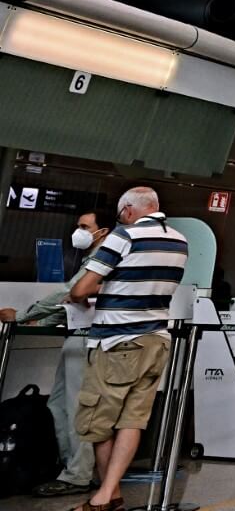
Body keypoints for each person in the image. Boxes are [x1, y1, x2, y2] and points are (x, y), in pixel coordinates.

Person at [65, 188, 187, 511]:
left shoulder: (124, 236)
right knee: (132, 420)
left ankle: (104, 497)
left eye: (121, 215)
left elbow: (81, 289)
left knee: (97, 420)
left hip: (118, 342)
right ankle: (112, 495)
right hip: (157, 340)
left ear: (129, 211)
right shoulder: (179, 241)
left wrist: (87, 292)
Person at [0, 210, 107, 498]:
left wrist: (22, 315)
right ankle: (69, 465)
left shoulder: (103, 261)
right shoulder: (90, 261)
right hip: (77, 336)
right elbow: (69, 303)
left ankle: (79, 474)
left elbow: (70, 293)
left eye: (85, 226)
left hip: (87, 341)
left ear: (103, 232)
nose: (79, 231)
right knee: (59, 404)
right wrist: (42, 321)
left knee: (76, 408)